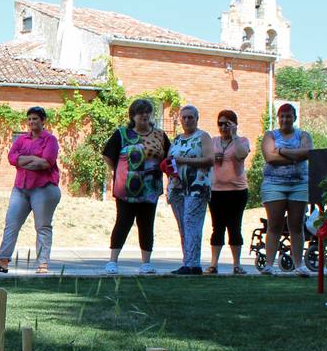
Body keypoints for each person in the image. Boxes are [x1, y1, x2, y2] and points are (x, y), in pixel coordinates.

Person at [0, 106, 61, 274]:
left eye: (35, 118)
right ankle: (2, 261)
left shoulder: (50, 140)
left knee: (42, 226)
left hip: (43, 188)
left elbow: (46, 162)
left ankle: (42, 264)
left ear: (43, 120)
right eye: (29, 119)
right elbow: (12, 158)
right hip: (21, 187)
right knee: (11, 224)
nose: (31, 122)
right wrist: (33, 158)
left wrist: (23, 161)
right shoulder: (21, 139)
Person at [102, 98, 168, 275]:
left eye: (147, 112)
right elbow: (108, 156)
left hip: (150, 189)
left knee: (146, 224)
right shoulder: (122, 134)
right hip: (127, 189)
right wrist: (121, 172)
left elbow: (168, 158)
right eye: (140, 112)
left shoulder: (160, 135)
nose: (144, 115)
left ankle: (146, 263)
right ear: (133, 115)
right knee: (123, 222)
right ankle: (112, 261)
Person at [261, 103, 312, 276]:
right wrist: (296, 156)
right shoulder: (270, 135)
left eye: (288, 116)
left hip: (299, 184)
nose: (285, 119)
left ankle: (299, 265)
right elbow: (269, 157)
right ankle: (269, 265)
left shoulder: (303, 135)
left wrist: (281, 150)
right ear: (278, 118)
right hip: (274, 184)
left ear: (294, 118)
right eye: (282, 116)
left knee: (296, 225)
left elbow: (307, 152)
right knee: (274, 224)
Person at [166, 105, 215, 275]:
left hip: (196, 186)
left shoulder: (203, 137)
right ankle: (187, 261)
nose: (187, 120)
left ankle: (193, 263)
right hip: (177, 187)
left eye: (190, 117)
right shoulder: (177, 139)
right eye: (184, 117)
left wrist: (184, 161)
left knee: (191, 222)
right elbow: (171, 159)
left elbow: (210, 159)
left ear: (197, 119)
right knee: (183, 224)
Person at [207, 110, 251, 275]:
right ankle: (213, 264)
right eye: (220, 124)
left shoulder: (242, 140)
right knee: (217, 227)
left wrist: (234, 136)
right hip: (216, 190)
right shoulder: (213, 141)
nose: (223, 127)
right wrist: (213, 158)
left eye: (227, 123)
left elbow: (241, 155)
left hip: (237, 190)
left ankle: (237, 264)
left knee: (235, 226)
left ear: (234, 124)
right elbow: (205, 159)